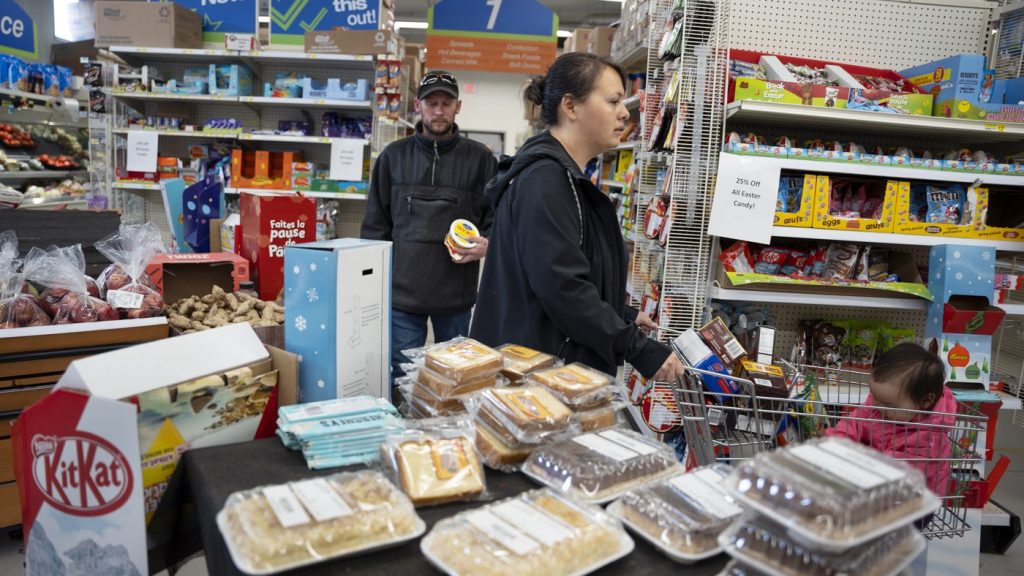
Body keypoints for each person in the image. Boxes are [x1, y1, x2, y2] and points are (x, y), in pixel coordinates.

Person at [469, 52, 684, 383]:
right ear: (571, 107)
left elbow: (555, 276)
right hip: (536, 378)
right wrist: (637, 348)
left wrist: (621, 314)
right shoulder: (546, 181)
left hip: (540, 365)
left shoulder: (562, 177)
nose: (625, 112)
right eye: (613, 101)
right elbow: (563, 289)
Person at [361, 70, 498, 382]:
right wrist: (370, 287)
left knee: (456, 379)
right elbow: (374, 227)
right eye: (431, 103)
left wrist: (488, 243)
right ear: (417, 106)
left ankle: (448, 431)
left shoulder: (480, 159)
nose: (439, 110)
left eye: (446, 103)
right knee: (402, 376)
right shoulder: (392, 157)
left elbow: (496, 219)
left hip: (457, 296)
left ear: (458, 106)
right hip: (402, 296)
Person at [826, 342, 956, 497]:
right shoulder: (878, 406)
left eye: (887, 404)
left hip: (916, 500)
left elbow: (907, 471)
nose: (878, 406)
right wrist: (836, 441)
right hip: (879, 486)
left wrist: (863, 461)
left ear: (925, 402)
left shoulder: (930, 435)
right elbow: (854, 423)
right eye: (874, 396)